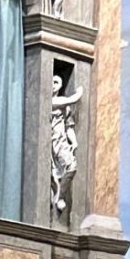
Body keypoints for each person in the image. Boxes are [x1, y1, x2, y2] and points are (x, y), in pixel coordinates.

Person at [51, 75, 84, 216]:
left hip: (62, 141)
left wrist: (74, 141)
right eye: (51, 81)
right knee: (57, 170)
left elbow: (69, 126)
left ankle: (60, 195)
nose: (53, 84)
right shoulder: (54, 101)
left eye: (56, 82)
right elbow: (73, 99)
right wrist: (80, 92)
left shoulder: (65, 106)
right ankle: (57, 195)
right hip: (52, 141)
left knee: (72, 166)